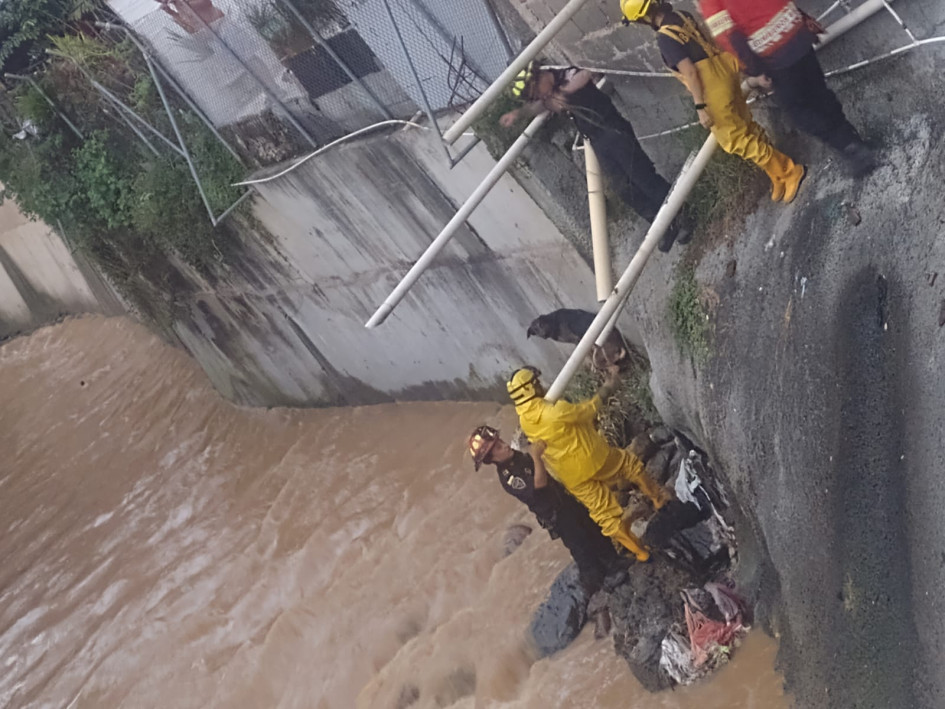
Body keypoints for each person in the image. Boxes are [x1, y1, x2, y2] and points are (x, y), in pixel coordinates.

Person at [620, 0, 807, 204]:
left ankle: (788, 171)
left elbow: (690, 72)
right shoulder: (682, 15)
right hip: (725, 73)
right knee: (746, 125)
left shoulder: (665, 38)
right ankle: (776, 174)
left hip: (711, 89)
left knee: (737, 140)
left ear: (644, 16)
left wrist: (700, 106)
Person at [499, 62, 690, 252]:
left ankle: (682, 213)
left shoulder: (566, 74)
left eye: (537, 92)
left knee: (642, 176)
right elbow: (540, 107)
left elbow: (584, 74)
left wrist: (565, 93)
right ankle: (661, 222)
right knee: (622, 187)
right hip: (597, 141)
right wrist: (519, 113)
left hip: (613, 129)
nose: (541, 97)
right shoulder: (551, 93)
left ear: (538, 77)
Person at [507, 366, 671, 562]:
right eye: (537, 383)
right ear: (531, 388)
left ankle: (640, 552)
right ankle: (658, 499)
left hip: (572, 477)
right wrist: (608, 387)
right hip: (594, 457)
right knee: (630, 465)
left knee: (604, 514)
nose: (541, 385)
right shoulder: (555, 410)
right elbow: (587, 411)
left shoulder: (525, 421)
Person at [696, 0, 877, 176]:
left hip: (774, 56)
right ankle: (855, 141)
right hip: (796, 32)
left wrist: (755, 70)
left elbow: (728, 36)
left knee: (798, 112)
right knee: (820, 94)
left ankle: (850, 147)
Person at [468, 425, 624, 592]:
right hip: (556, 514)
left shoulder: (516, 457)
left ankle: (614, 561)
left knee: (592, 527)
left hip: (563, 499)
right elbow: (539, 484)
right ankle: (599, 582)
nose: (505, 446)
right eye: (499, 447)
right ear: (492, 459)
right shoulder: (509, 478)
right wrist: (536, 457)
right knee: (580, 545)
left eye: (502, 442)